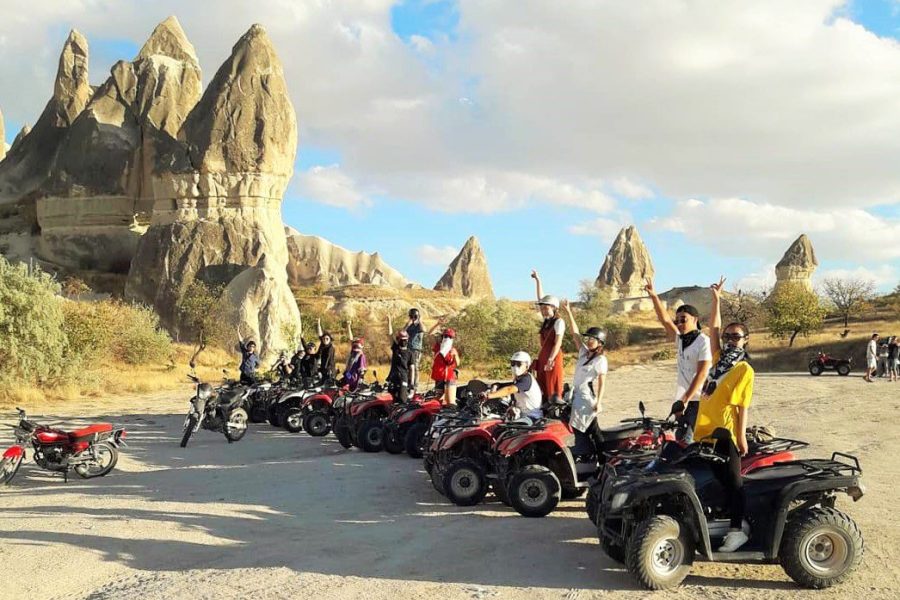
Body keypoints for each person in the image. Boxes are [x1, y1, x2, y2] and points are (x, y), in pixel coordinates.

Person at [693, 276, 754, 553]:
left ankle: (737, 530)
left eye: (736, 336)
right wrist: (717, 299)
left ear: (746, 341)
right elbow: (713, 327)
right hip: (706, 430)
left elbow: (742, 406)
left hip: (726, 433)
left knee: (734, 482)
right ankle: (721, 521)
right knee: (713, 479)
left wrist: (741, 438)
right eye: (728, 336)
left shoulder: (744, 370)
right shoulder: (719, 360)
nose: (730, 339)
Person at [646, 278, 712, 440]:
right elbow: (665, 320)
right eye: (678, 320)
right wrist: (654, 296)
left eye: (684, 319)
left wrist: (685, 399)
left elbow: (702, 373)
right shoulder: (681, 339)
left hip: (698, 400)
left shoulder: (703, 341)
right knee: (680, 438)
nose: (680, 323)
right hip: (683, 399)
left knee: (688, 440)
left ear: (695, 320)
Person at [560, 299, 608, 453]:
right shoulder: (584, 353)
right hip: (577, 396)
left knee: (593, 430)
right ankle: (588, 457)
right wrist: (568, 312)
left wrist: (599, 402)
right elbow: (575, 335)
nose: (588, 341)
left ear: (600, 342)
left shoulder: (600, 360)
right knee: (580, 429)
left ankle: (604, 458)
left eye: (592, 339)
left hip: (587, 399)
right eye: (588, 339)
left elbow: (602, 382)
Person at [530, 269, 565, 401]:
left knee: (553, 385)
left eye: (546, 308)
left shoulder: (559, 322)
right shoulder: (546, 321)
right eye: (542, 308)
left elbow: (558, 343)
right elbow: (541, 298)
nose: (543, 310)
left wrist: (551, 359)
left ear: (554, 308)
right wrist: (538, 280)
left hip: (553, 357)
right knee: (542, 384)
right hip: (543, 355)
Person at [480, 351, 543, 423]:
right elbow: (509, 385)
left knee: (502, 429)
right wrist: (497, 385)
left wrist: (489, 396)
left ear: (527, 366)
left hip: (532, 417)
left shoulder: (526, 379)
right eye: (513, 363)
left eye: (519, 364)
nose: (515, 367)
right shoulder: (519, 379)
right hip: (523, 415)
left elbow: (509, 389)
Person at [428, 318, 460, 406]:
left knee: (451, 403)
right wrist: (437, 324)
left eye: (450, 337)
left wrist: (455, 355)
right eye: (445, 336)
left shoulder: (453, 350)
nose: (447, 338)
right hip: (439, 377)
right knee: (438, 401)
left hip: (450, 377)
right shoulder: (437, 347)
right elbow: (429, 334)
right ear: (442, 337)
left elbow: (458, 364)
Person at [387, 317, 413, 403]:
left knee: (403, 399)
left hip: (403, 378)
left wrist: (411, 384)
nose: (403, 341)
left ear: (408, 340)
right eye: (401, 340)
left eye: (405, 340)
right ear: (398, 340)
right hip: (393, 378)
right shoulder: (396, 349)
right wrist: (389, 322)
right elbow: (390, 335)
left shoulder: (410, 353)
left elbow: (412, 369)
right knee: (391, 399)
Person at [405, 308, 425, 392]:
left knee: (415, 367)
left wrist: (419, 320)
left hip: (416, 349)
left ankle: (415, 386)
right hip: (408, 348)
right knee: (407, 367)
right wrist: (407, 324)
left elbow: (424, 330)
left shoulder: (419, 326)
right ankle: (408, 383)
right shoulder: (409, 326)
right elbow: (402, 333)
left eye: (415, 316)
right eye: (411, 316)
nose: (413, 318)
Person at [315, 318, 337, 383]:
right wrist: (318, 323)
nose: (325, 340)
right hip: (323, 368)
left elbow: (329, 360)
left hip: (329, 369)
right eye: (324, 339)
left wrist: (326, 370)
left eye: (327, 339)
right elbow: (320, 334)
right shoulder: (323, 345)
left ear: (330, 339)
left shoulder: (330, 348)